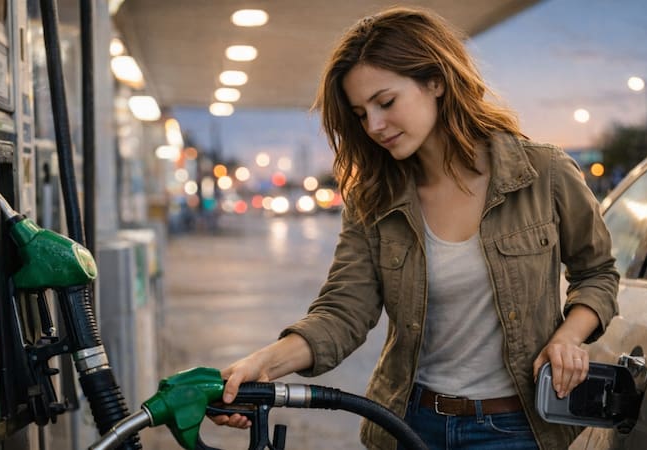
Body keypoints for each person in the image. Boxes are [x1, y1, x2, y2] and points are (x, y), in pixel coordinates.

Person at [213, 6, 619, 450]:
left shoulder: (543, 174)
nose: (375, 126)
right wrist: (262, 365)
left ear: (436, 81)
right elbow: (343, 312)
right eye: (361, 113)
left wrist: (568, 336)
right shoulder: (375, 200)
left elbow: (597, 273)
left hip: (517, 429)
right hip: (409, 426)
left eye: (385, 102)